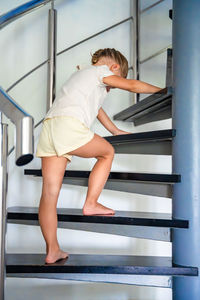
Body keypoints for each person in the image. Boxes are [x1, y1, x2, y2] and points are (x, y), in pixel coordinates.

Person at [36, 48, 162, 263]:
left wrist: (113, 130)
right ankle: (91, 203)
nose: (111, 87)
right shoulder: (100, 72)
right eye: (114, 82)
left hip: (49, 128)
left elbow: (96, 109)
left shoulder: (81, 76)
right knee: (107, 153)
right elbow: (132, 85)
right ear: (114, 68)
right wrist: (166, 91)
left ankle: (52, 250)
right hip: (68, 125)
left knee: (49, 193)